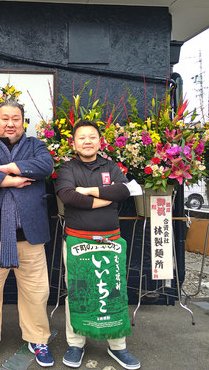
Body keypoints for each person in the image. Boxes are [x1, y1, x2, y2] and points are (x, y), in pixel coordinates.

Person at [0, 100, 55, 368]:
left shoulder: (36, 144)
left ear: (23, 121)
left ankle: (38, 339)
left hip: (29, 236)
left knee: (36, 292)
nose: (10, 123)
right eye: (4, 118)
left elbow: (45, 166)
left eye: (16, 118)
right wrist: (12, 181)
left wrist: (7, 168)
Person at [55, 120, 140, 370]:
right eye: (82, 137)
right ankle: (76, 344)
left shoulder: (110, 166)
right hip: (77, 240)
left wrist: (89, 190)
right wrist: (104, 198)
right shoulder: (67, 168)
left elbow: (124, 192)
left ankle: (118, 347)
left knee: (113, 290)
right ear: (74, 143)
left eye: (92, 136)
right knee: (78, 292)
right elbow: (68, 196)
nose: (87, 141)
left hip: (110, 241)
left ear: (100, 141)